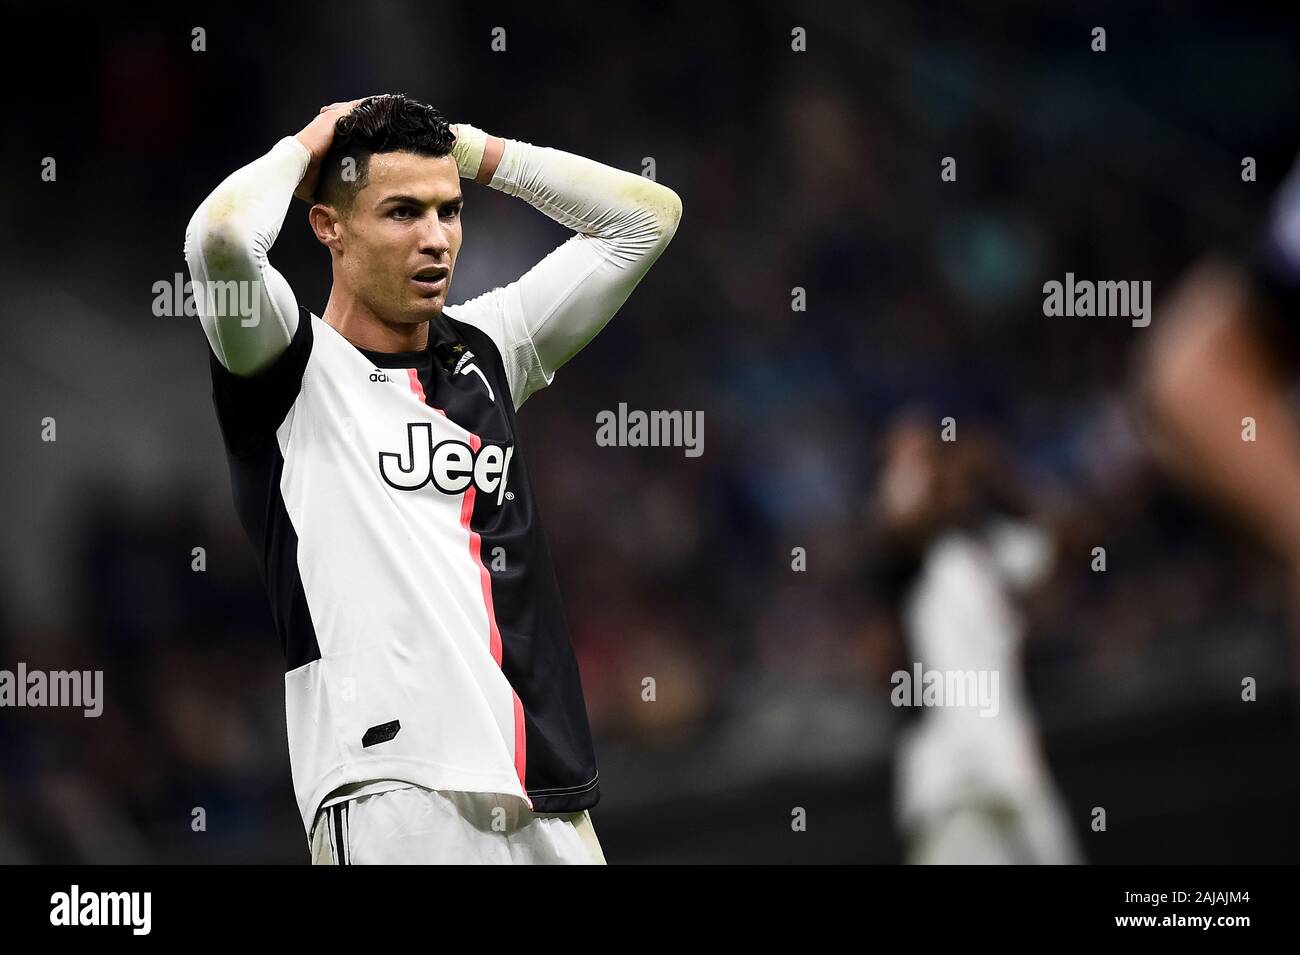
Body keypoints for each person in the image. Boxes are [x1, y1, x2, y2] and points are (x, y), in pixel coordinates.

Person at [183, 93, 682, 863]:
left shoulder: (491, 348)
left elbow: (646, 218)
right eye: (402, 212)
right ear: (329, 226)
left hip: (547, 798)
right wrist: (306, 145)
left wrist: (476, 149)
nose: (435, 239)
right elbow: (219, 237)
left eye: (449, 211)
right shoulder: (284, 366)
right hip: (393, 797)